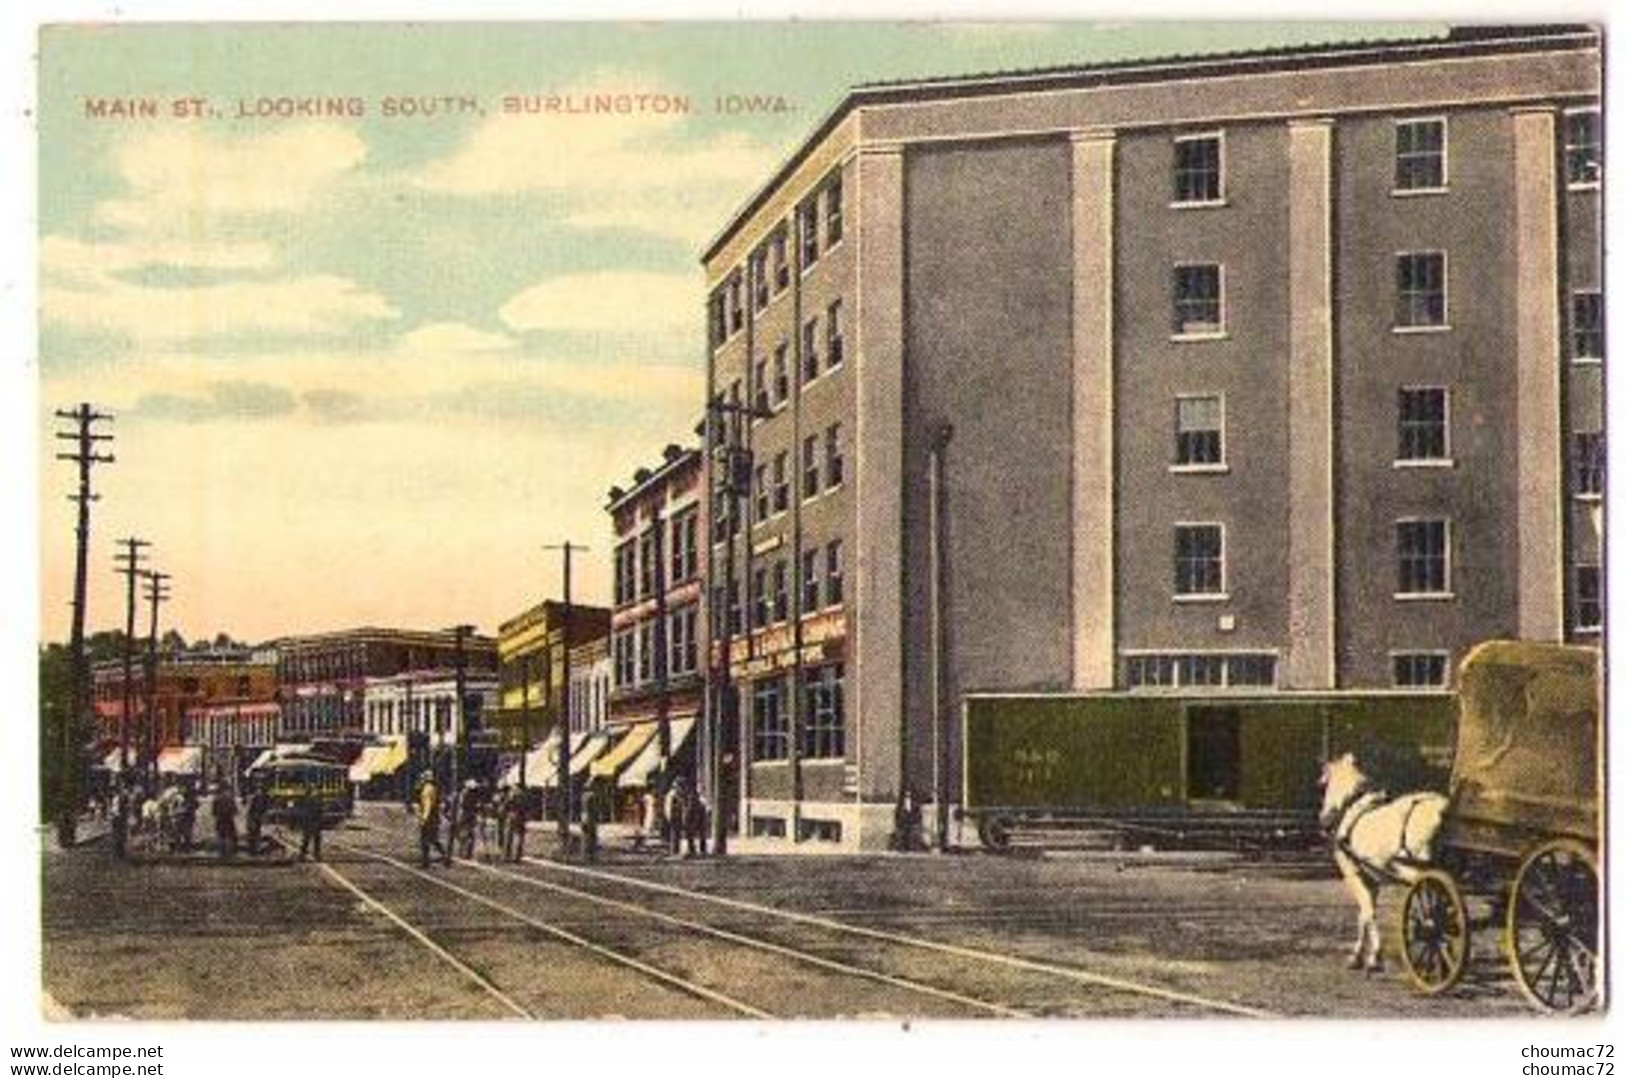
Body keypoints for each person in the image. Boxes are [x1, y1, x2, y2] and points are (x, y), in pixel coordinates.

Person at [416, 774, 445, 869]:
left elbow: (427, 806)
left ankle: (426, 862)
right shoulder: (433, 788)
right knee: (433, 839)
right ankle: (444, 856)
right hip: (434, 816)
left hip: (430, 817)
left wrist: (423, 819)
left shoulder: (426, 790)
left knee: (425, 840)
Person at [211, 785, 239, 859]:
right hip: (228, 819)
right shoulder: (230, 799)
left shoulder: (216, 799)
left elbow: (214, 812)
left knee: (221, 835)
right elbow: (235, 811)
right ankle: (229, 852)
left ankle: (221, 851)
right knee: (229, 835)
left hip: (220, 818)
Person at [295, 789, 323, 862]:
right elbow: (318, 812)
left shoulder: (310, 801)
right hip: (310, 822)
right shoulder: (311, 801)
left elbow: (319, 812)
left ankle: (307, 855)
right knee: (309, 840)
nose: (316, 793)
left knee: (312, 840)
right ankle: (304, 855)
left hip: (312, 822)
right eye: (314, 792)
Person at [244, 784, 268, 857]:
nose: (259, 791)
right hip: (253, 818)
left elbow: (264, 808)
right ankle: (253, 851)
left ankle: (254, 850)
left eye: (260, 790)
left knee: (255, 833)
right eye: (258, 790)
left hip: (256, 818)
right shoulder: (254, 798)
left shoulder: (261, 798)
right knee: (253, 834)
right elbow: (250, 809)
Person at [503, 789, 527, 862]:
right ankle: (517, 856)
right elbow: (526, 808)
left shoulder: (511, 795)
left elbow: (504, 807)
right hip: (520, 817)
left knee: (509, 837)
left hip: (511, 817)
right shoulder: (523, 797)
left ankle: (507, 856)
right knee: (519, 837)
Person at [664, 778, 685, 856]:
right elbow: (670, 807)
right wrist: (670, 816)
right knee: (675, 833)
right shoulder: (673, 795)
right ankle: (674, 850)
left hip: (676, 815)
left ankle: (675, 849)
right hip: (675, 816)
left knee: (676, 834)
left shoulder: (675, 794)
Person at [685, 788, 708, 857]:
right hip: (694, 823)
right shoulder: (691, 805)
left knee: (701, 835)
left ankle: (700, 850)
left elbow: (702, 816)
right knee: (691, 835)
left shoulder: (700, 805)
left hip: (699, 823)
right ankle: (693, 849)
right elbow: (687, 816)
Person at [580, 783, 599, 863]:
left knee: (586, 837)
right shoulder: (591, 796)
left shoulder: (583, 796)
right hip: (590, 819)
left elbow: (584, 810)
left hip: (586, 818)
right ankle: (590, 856)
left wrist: (583, 821)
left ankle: (585, 855)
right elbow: (590, 810)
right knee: (591, 837)